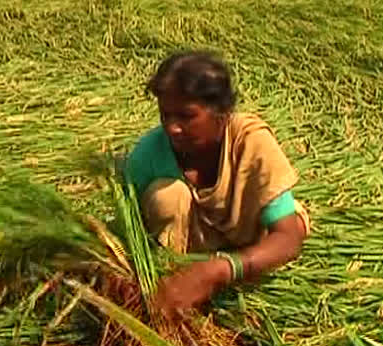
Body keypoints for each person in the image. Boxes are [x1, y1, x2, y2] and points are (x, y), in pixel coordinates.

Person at [123, 51, 311, 321]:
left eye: (186, 116)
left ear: (222, 115)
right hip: (188, 249)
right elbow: (128, 233)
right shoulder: (148, 155)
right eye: (166, 115)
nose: (173, 128)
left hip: (252, 240)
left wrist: (221, 270)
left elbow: (287, 238)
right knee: (168, 196)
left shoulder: (250, 143)